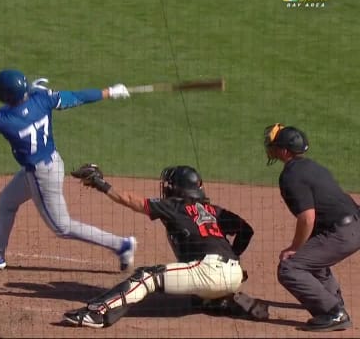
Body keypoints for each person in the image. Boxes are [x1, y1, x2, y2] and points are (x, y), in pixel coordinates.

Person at [0, 69, 136, 271]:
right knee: (6, 201)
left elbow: (13, 109)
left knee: (62, 227)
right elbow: (75, 97)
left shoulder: (2, 121)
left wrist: (33, 92)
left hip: (40, 175)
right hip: (52, 162)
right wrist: (109, 92)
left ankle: (122, 245)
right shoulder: (42, 100)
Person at [62, 163, 263, 328]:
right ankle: (224, 300)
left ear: (176, 188)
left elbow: (134, 201)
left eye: (168, 184)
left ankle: (97, 313)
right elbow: (246, 230)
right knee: (197, 289)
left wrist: (100, 184)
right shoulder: (213, 210)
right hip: (235, 274)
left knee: (147, 276)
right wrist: (233, 256)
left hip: (209, 272)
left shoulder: (176, 205)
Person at [264, 123, 360, 332]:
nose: (270, 147)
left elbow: (307, 218)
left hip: (343, 232)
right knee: (311, 258)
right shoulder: (313, 166)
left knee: (290, 268)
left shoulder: (290, 176)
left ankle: (334, 313)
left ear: (284, 151)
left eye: (275, 145)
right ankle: (332, 300)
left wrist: (294, 247)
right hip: (354, 223)